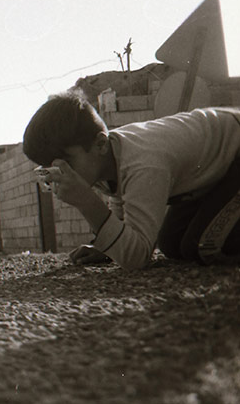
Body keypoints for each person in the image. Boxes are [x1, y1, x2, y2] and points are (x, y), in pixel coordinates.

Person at [22, 91, 240, 270]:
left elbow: (137, 257)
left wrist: (87, 202)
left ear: (100, 144)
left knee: (203, 246)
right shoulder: (107, 156)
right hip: (218, 168)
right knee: (172, 244)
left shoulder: (144, 163)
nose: (61, 172)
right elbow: (123, 211)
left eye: (66, 162)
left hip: (236, 152)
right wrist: (106, 247)